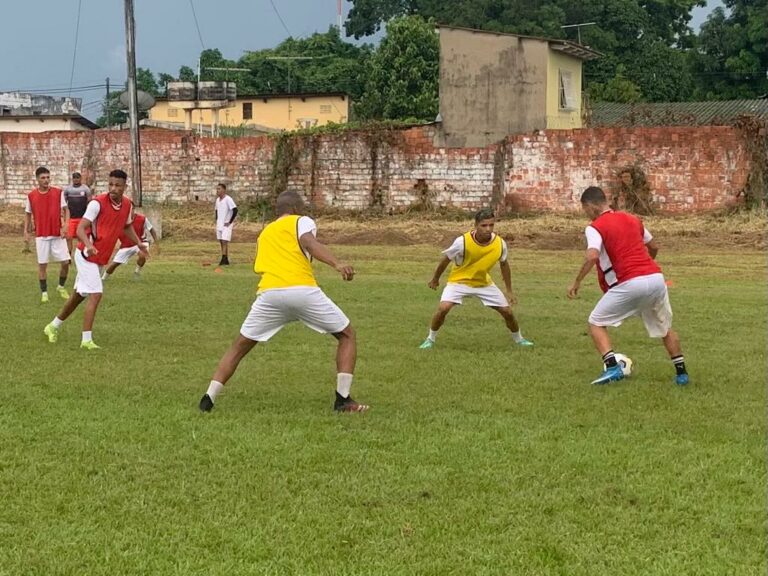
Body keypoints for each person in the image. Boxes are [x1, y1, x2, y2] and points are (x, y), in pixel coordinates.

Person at [198, 190, 368, 414]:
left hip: (269, 294)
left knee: (239, 347)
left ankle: (208, 398)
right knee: (346, 335)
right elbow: (308, 242)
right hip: (301, 290)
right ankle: (342, 400)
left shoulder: (265, 232)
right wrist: (336, 264)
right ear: (297, 209)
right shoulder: (302, 221)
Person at [567, 186, 689, 385]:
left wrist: (577, 281)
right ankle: (682, 374)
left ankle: (613, 368)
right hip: (656, 278)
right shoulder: (633, 219)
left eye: (584, 210)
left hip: (631, 282)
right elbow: (654, 246)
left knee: (596, 322)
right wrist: (645, 265)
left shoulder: (594, 226)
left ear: (589, 206)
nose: (585, 214)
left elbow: (592, 255)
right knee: (665, 329)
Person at [43, 169, 148, 350]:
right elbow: (80, 229)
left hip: (100, 257)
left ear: (125, 186)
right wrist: (89, 245)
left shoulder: (127, 205)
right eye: (111, 184)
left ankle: (52, 326)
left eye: (118, 185)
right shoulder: (97, 204)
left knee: (79, 295)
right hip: (86, 255)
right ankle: (86, 340)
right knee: (96, 294)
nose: (113, 188)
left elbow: (127, 226)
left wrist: (139, 243)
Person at [419, 208, 533, 349]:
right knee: (443, 308)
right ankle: (430, 339)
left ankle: (519, 339)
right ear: (476, 225)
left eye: (491, 225)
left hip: (483, 283)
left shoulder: (500, 243)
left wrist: (509, 291)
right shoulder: (462, 242)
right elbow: (446, 260)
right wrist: (435, 279)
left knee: (507, 312)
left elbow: (504, 265)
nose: (488, 229)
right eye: (484, 225)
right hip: (459, 282)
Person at [24, 166, 70, 303]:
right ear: (37, 179)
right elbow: (27, 214)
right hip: (41, 235)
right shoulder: (31, 196)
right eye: (43, 178)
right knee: (43, 265)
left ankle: (61, 287)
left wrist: (66, 225)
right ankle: (44, 293)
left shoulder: (58, 192)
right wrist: (26, 231)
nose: (46, 180)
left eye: (48, 177)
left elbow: (66, 210)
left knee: (66, 262)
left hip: (57, 234)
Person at [101, 211, 159, 281]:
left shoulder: (142, 219)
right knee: (114, 264)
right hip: (126, 245)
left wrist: (156, 243)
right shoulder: (118, 220)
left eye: (131, 208)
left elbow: (151, 229)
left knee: (142, 255)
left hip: (141, 242)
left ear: (133, 209)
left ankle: (137, 272)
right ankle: (103, 279)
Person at [63, 171, 92, 256]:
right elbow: (64, 205)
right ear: (72, 179)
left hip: (82, 218)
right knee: (68, 238)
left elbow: (90, 203)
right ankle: (68, 255)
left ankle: (81, 254)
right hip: (71, 218)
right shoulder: (67, 189)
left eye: (77, 178)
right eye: (74, 178)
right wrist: (65, 218)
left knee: (81, 237)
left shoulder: (86, 189)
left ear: (80, 179)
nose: (76, 180)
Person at [214, 183, 237, 266]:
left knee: (224, 240)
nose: (217, 191)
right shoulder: (217, 200)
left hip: (226, 224)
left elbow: (235, 210)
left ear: (224, 190)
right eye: (217, 189)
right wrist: (217, 219)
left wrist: (230, 221)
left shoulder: (228, 199)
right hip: (220, 223)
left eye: (219, 189)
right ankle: (226, 258)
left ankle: (223, 258)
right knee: (221, 241)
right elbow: (216, 210)